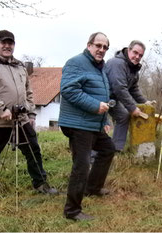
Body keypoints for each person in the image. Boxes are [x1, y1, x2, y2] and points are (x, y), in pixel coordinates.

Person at [0, 30, 58, 208]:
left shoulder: (19, 66)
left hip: (21, 119)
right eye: (3, 42)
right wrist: (0, 108)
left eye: (10, 43)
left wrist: (31, 113)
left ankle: (40, 183)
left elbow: (28, 91)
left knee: (33, 150)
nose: (7, 46)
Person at [59, 32, 115, 221]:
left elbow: (101, 96)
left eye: (105, 47)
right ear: (89, 45)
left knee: (108, 149)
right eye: (98, 45)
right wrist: (95, 106)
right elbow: (68, 90)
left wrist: (104, 120)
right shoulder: (76, 62)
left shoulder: (99, 68)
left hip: (93, 123)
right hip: (77, 123)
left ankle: (93, 188)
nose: (101, 50)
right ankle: (72, 210)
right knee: (82, 165)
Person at [105, 40, 153, 152]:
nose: (137, 57)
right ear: (128, 50)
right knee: (100, 124)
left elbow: (133, 89)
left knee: (123, 116)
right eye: (135, 53)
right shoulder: (117, 63)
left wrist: (145, 102)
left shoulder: (133, 68)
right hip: (101, 97)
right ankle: (94, 156)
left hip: (113, 99)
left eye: (140, 55)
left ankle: (116, 149)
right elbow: (119, 88)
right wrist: (132, 108)